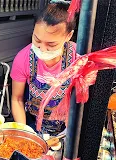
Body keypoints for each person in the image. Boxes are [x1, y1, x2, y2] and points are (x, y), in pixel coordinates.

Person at [10, 2, 77, 136]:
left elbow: (82, 97)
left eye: (51, 44)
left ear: (68, 36)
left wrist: (71, 133)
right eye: (37, 40)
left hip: (67, 126)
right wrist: (24, 133)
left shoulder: (78, 57)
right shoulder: (23, 58)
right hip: (33, 123)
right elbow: (17, 99)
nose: (42, 49)